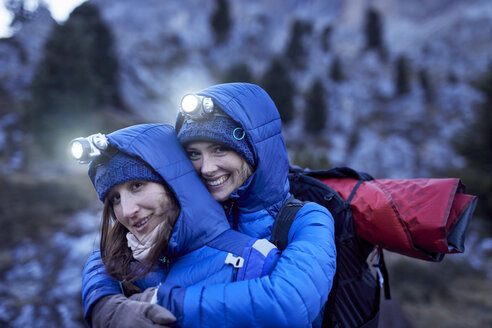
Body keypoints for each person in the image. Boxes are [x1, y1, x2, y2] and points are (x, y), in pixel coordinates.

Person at [82, 83, 337, 327]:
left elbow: (290, 301)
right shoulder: (182, 217)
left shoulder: (309, 218)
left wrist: (163, 301)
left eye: (219, 149)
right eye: (193, 154)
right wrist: (102, 302)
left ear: (254, 148)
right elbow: (108, 254)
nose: (206, 168)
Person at [79, 123, 280, 327]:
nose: (128, 210)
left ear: (173, 183)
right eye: (115, 198)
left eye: (137, 185)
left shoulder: (253, 261)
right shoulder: (114, 264)